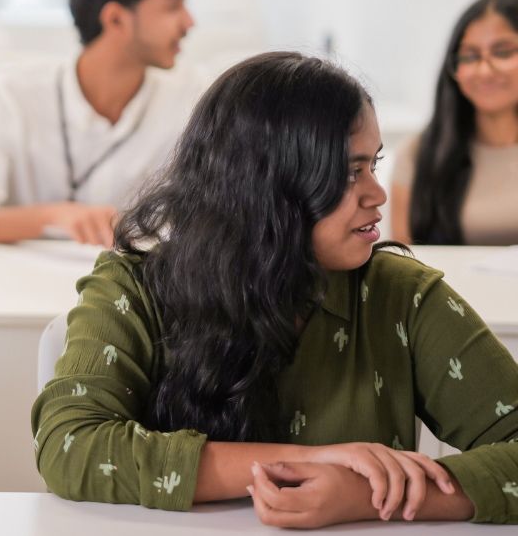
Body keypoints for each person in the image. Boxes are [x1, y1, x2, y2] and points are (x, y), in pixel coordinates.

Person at [32, 52, 518, 527]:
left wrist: (366, 495)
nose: (378, 193)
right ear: (268, 185)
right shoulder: (134, 289)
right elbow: (71, 445)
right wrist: (315, 463)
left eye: (374, 164)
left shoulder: (403, 297)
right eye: (351, 172)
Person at [0, 0, 202, 247]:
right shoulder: (11, 96)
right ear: (116, 19)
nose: (189, 22)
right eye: (172, 6)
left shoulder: (193, 99)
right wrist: (53, 217)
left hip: (133, 290)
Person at [392, 0, 518, 246]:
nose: (484, 70)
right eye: (469, 57)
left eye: (502, 52)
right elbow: (406, 263)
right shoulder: (419, 153)